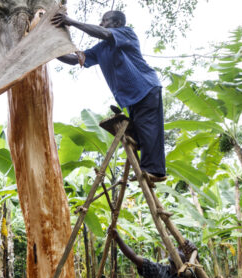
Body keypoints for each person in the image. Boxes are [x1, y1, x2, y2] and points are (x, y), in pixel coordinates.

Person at [52, 10, 166, 183]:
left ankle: (155, 171)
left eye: (104, 20)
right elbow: (75, 59)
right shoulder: (101, 49)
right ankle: (146, 167)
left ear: (117, 23)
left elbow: (103, 33)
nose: (101, 24)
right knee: (139, 133)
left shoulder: (127, 33)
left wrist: (71, 22)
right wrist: (49, 50)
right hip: (132, 98)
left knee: (149, 129)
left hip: (146, 87)